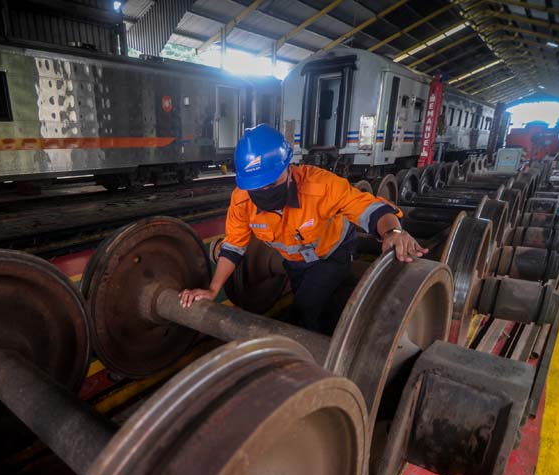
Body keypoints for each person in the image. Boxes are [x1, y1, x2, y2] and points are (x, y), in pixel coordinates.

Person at [179, 124, 426, 335]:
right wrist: (213, 289)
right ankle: (324, 329)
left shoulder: (321, 185)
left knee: (306, 308)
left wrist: (392, 233)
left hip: (333, 253)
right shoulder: (242, 199)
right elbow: (234, 246)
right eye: (257, 187)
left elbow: (370, 209)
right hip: (295, 263)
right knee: (315, 307)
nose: (265, 192)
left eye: (271, 183)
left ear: (289, 166)